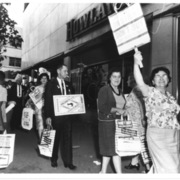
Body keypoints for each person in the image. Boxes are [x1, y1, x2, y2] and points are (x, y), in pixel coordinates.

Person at [133, 50, 180, 173]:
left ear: (168, 80)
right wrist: (136, 63)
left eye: (164, 76)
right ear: (153, 81)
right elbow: (139, 81)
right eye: (157, 76)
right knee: (171, 169)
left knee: (169, 167)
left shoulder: (171, 97)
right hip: (157, 135)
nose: (161, 78)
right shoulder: (150, 92)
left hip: (174, 136)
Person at [44, 64, 76, 170]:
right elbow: (48, 101)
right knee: (56, 138)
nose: (67, 73)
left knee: (68, 138)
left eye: (67, 71)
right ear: (58, 71)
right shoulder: (51, 84)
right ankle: (54, 159)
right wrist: (48, 116)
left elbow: (73, 98)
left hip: (67, 116)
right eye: (65, 71)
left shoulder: (68, 84)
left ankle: (68, 161)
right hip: (55, 116)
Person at [97, 67, 126, 173]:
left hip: (117, 123)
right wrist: (118, 110)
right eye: (114, 76)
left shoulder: (120, 91)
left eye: (119, 77)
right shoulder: (104, 90)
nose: (117, 79)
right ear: (109, 78)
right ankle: (119, 174)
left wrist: (125, 110)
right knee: (114, 150)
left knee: (109, 149)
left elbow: (121, 106)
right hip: (107, 123)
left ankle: (103, 172)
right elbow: (102, 107)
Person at [124, 73, 151, 173]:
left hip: (139, 123)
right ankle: (134, 162)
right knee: (137, 143)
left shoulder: (137, 89)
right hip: (135, 121)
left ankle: (148, 169)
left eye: (128, 79)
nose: (126, 81)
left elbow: (141, 104)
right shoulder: (135, 89)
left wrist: (143, 118)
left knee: (142, 146)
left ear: (132, 80)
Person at [26, 73, 49, 141]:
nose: (44, 80)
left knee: (47, 125)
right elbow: (33, 99)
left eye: (45, 78)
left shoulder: (50, 87)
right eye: (42, 78)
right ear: (40, 79)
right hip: (39, 109)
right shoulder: (38, 88)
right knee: (40, 126)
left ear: (47, 79)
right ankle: (41, 142)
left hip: (48, 109)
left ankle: (47, 142)